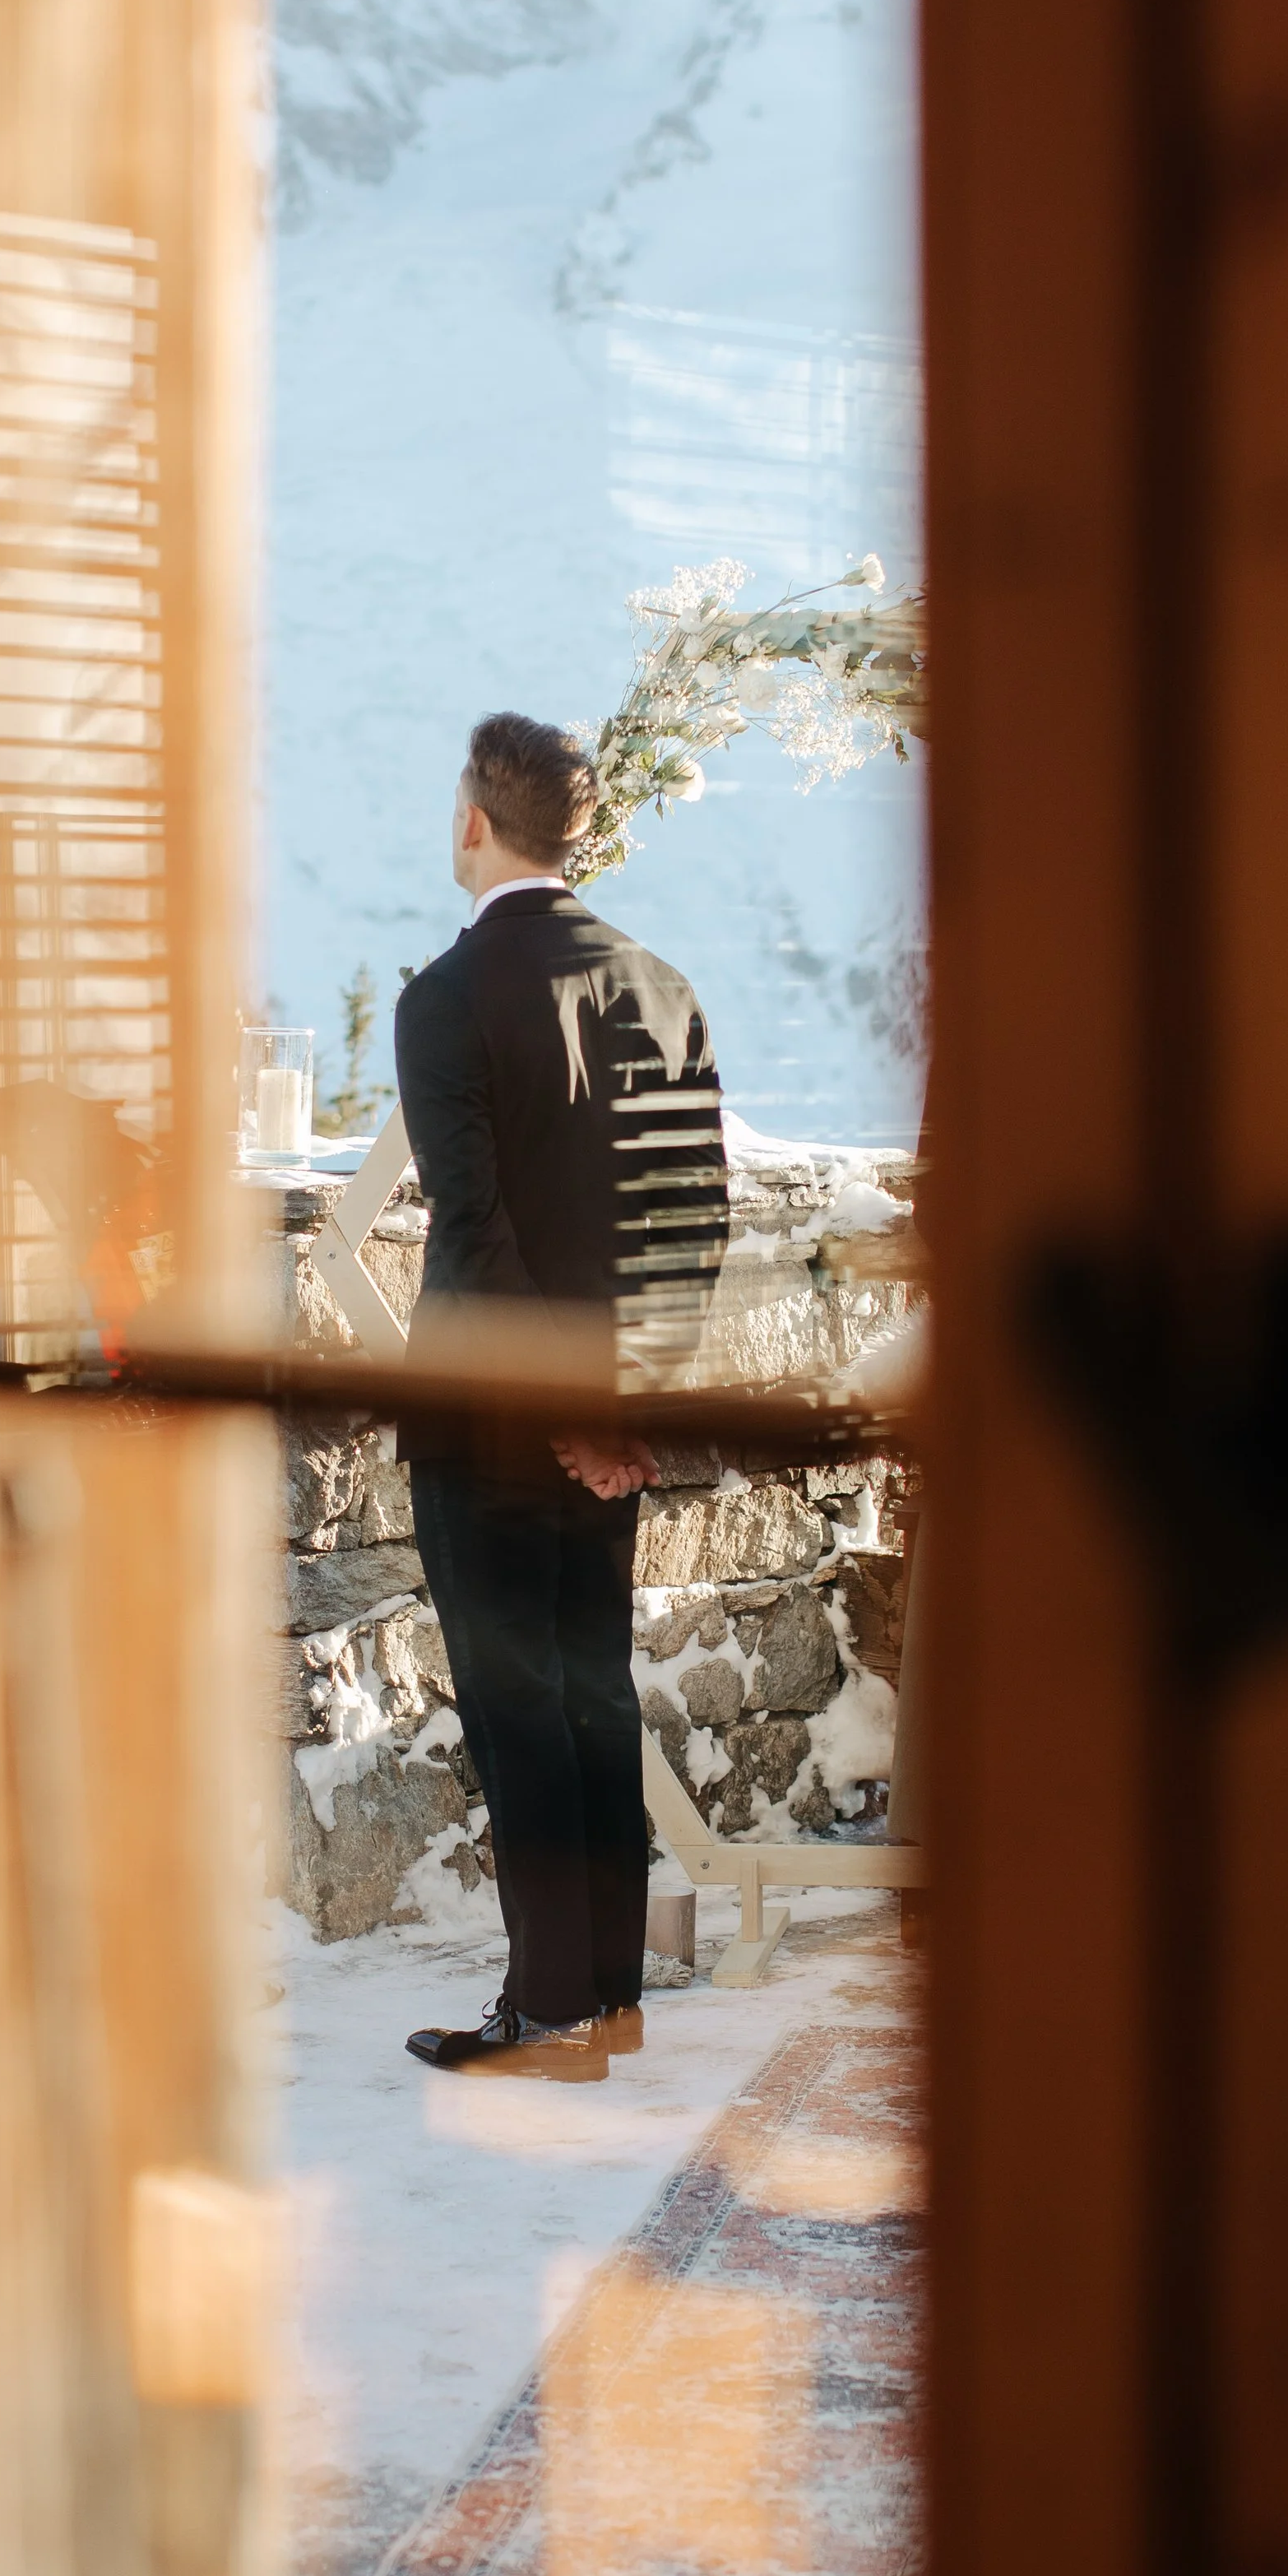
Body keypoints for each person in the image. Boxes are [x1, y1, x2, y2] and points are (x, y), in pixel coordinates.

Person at [395, 713, 730, 2081]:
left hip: (489, 1412)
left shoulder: (445, 998)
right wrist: (624, 1408)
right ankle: (609, 1995)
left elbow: (476, 1232)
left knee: (518, 1703)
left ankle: (549, 2017)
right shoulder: (665, 987)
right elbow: (695, 1226)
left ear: (476, 821)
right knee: (591, 1686)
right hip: (610, 1419)